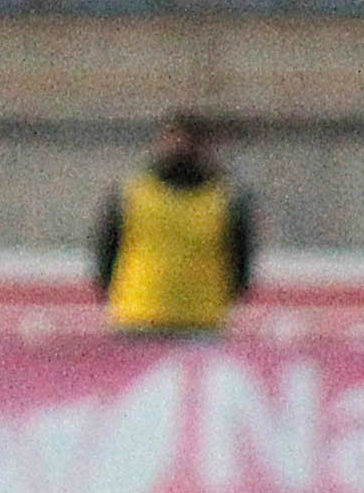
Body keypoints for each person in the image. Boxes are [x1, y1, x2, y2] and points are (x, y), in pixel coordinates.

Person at [94, 112, 255, 334]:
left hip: (197, 319)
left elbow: (240, 255)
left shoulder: (225, 198)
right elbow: (107, 250)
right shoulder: (132, 193)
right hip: (141, 315)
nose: (180, 147)